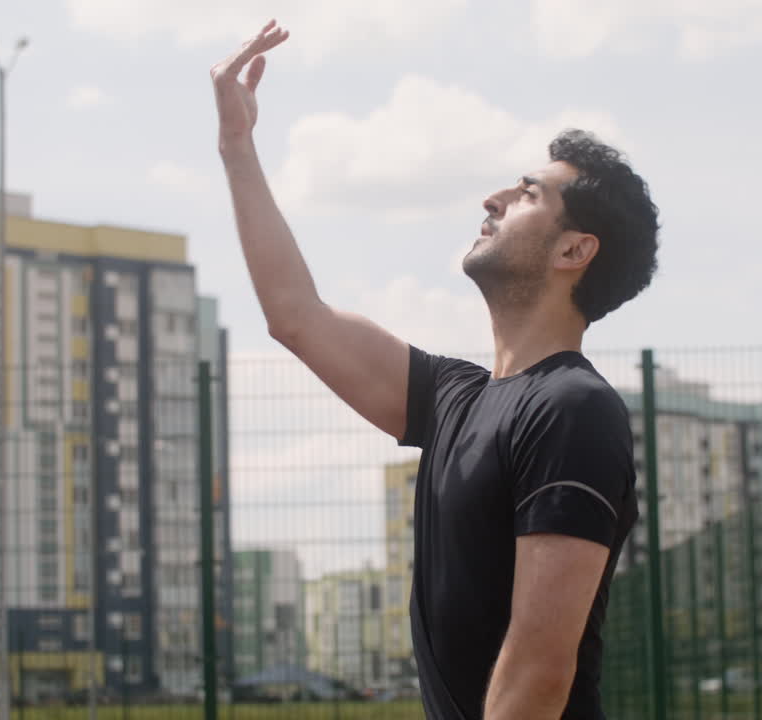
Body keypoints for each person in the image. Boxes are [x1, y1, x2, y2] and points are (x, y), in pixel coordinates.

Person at [211, 21, 660, 720]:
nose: (494, 198)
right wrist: (238, 147)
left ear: (574, 249)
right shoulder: (456, 398)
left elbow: (541, 667)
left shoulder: (574, 409)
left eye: (527, 193)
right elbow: (295, 315)